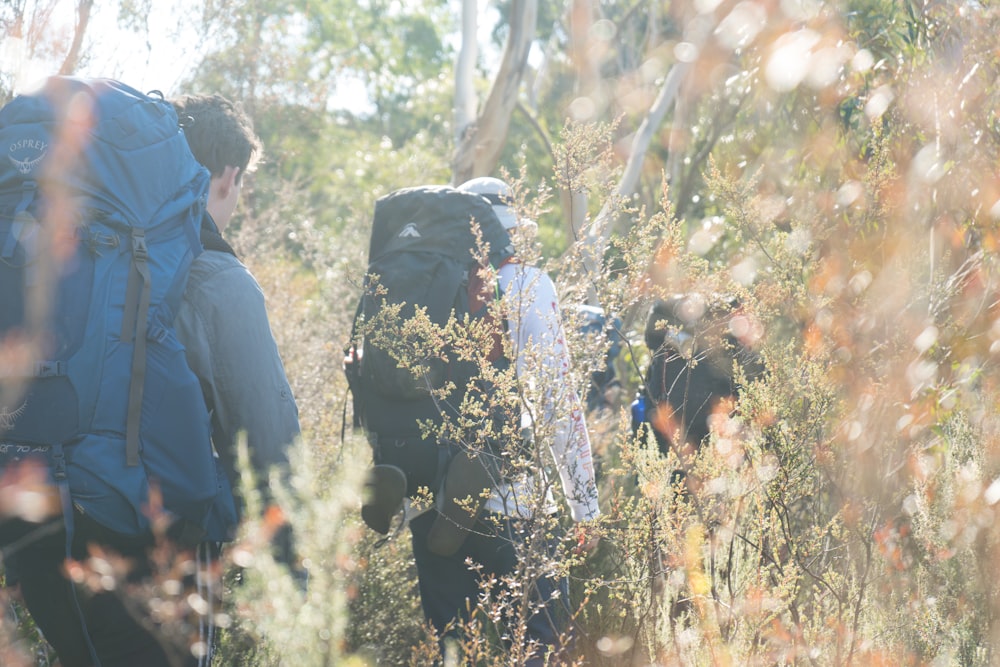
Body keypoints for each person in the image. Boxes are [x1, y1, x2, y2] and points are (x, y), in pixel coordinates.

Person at [7, 92, 300, 667]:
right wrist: (289, 561)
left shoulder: (72, 242)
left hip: (29, 510)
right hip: (143, 536)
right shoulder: (218, 280)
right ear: (227, 176)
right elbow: (270, 435)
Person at [404, 176, 600, 665]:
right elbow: (559, 400)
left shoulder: (420, 283)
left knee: (453, 652)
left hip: (430, 500)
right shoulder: (526, 283)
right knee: (543, 644)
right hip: (510, 499)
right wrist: (584, 506)